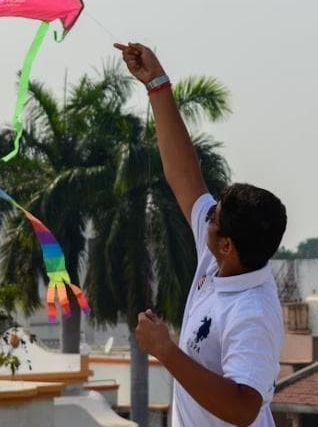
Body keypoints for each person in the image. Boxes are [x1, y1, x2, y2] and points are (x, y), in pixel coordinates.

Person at [114, 42, 288, 427]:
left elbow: (243, 408)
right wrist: (157, 84)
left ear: (227, 245)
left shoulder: (253, 312)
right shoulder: (222, 259)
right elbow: (185, 176)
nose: (206, 214)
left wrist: (166, 350)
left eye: (213, 217)